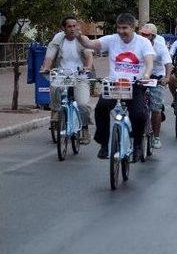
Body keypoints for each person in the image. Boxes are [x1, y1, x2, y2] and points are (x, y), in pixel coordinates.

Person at [76, 13, 155, 161]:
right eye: (118, 28)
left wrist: (146, 76)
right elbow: (90, 44)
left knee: (138, 114)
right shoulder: (112, 40)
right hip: (114, 85)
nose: (121, 31)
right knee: (101, 108)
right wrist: (80, 36)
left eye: (124, 28)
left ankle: (137, 144)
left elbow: (149, 62)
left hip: (135, 85)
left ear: (133, 28)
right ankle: (104, 144)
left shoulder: (143, 42)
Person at [40, 16, 93, 144]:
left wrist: (88, 67)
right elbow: (50, 56)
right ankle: (56, 111)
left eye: (75, 26)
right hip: (62, 75)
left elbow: (88, 55)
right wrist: (46, 68)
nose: (73, 29)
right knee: (54, 88)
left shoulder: (82, 39)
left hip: (80, 75)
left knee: (83, 104)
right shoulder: (58, 39)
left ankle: (84, 129)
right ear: (63, 28)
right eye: (69, 26)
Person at [139, 23, 172, 149]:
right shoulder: (136, 44)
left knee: (156, 108)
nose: (143, 37)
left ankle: (156, 137)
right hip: (141, 77)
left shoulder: (160, 47)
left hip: (156, 78)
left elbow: (168, 63)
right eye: (141, 34)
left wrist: (167, 77)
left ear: (153, 36)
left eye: (146, 35)